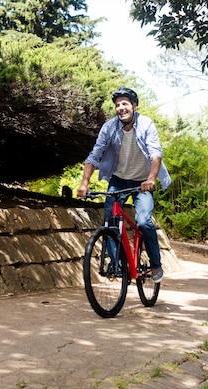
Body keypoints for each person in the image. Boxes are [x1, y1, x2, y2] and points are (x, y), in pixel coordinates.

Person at [77, 87, 171, 283]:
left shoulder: (146, 125)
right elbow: (95, 155)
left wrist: (151, 179)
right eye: (118, 105)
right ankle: (118, 265)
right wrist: (84, 183)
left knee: (144, 222)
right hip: (118, 180)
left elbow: (155, 155)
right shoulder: (109, 128)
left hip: (141, 182)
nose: (121, 108)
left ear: (134, 106)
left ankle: (155, 264)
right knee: (110, 222)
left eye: (125, 104)